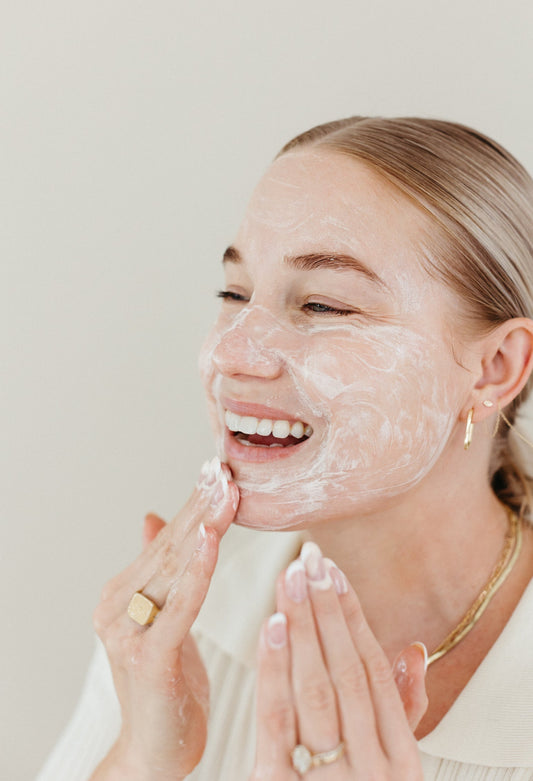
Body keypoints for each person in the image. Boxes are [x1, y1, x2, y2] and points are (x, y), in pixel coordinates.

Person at [37, 116, 533, 781]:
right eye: (233, 294)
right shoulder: (181, 636)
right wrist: (144, 756)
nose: (228, 351)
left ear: (495, 366)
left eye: (323, 305)